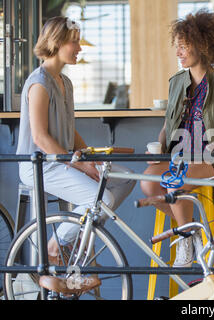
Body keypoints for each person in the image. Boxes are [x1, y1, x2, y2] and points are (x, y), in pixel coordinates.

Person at [16, 17, 136, 290]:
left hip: (64, 162)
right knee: (102, 197)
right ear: (57, 43)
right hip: (41, 165)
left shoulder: (65, 83)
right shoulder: (39, 83)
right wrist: (81, 166)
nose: (79, 47)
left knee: (125, 177)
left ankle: (78, 249)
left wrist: (89, 157)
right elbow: (40, 137)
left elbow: (69, 132)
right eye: (75, 41)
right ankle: (56, 246)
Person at [139, 10, 214, 268]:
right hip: (179, 157)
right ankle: (192, 231)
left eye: (184, 46)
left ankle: (184, 238)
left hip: (208, 161)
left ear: (203, 46)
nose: (179, 52)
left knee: (175, 182)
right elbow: (167, 125)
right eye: (178, 47)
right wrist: (158, 146)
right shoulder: (176, 82)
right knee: (148, 184)